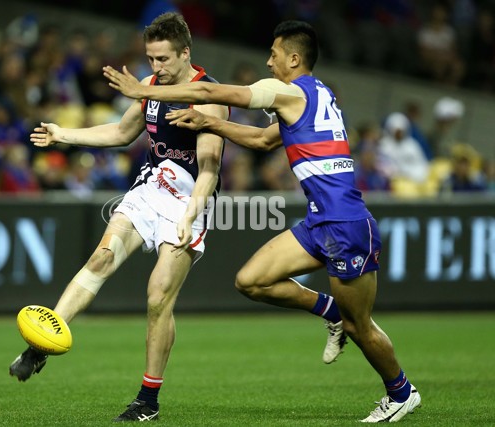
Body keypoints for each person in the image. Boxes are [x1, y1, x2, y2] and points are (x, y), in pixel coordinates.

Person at [104, 19, 421, 423]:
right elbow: (263, 140)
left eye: (273, 55)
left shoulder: (286, 90)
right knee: (251, 280)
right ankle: (330, 312)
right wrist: (212, 123)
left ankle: (401, 391)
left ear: (293, 58)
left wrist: (144, 90)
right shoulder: (315, 93)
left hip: (345, 224)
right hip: (320, 221)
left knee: (360, 327)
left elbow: (206, 90)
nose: (268, 63)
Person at [8, 13, 229, 422]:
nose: (156, 67)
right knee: (100, 259)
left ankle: (148, 400)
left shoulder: (211, 95)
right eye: (151, 59)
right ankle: (40, 346)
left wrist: (192, 214)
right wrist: (65, 135)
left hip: (188, 201)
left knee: (158, 296)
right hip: (150, 189)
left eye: (163, 59)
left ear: (186, 52)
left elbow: (211, 168)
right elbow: (121, 133)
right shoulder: (148, 87)